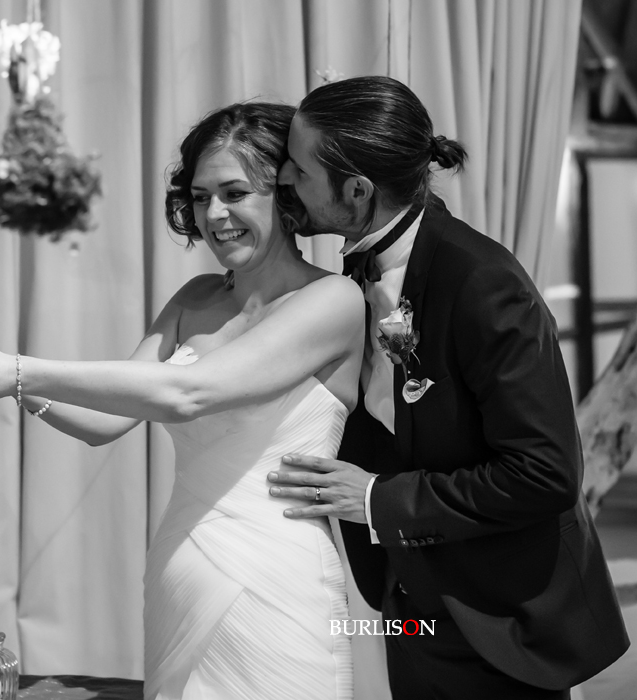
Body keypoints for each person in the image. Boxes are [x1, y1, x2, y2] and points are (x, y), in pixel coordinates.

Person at [0, 101, 363, 699]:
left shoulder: (333, 300)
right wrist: (3, 380)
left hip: (280, 581)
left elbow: (188, 393)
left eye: (235, 192)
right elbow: (105, 419)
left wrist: (14, 369)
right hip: (179, 569)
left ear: (286, 193)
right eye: (200, 197)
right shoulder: (194, 298)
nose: (214, 216)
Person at [269, 75, 629, 699]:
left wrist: (379, 500)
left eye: (298, 171)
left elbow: (544, 473)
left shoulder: (483, 283)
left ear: (357, 190)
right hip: (414, 598)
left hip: (499, 620)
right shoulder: (356, 269)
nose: (283, 182)